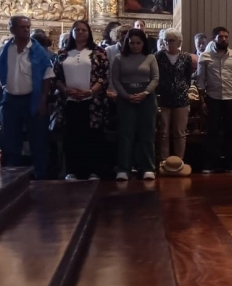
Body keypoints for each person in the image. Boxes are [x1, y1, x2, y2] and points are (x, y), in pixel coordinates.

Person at [0, 15, 55, 179]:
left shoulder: (38, 51)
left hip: (32, 99)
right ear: (12, 29)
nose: (26, 30)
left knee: (38, 140)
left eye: (28, 27)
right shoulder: (3, 50)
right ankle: (13, 175)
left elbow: (47, 76)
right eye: (22, 27)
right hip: (10, 100)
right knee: (11, 140)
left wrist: (42, 100)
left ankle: (40, 175)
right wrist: (0, 98)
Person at [54, 20, 111, 181]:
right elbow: (56, 76)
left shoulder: (98, 52)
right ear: (72, 32)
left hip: (92, 102)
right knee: (72, 136)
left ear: (89, 32)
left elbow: (104, 76)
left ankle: (93, 171)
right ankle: (72, 170)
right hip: (69, 101)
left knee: (92, 136)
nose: (80, 32)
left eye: (83, 30)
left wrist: (90, 91)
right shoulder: (63, 53)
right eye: (76, 30)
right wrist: (65, 89)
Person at [110, 28, 159, 181]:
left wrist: (145, 93)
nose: (135, 46)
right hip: (126, 97)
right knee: (126, 134)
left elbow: (155, 78)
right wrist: (125, 95)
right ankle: (124, 168)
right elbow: (115, 79)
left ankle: (148, 168)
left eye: (138, 43)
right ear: (127, 43)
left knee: (147, 133)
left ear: (143, 43)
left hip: (146, 97)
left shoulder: (150, 57)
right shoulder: (119, 58)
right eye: (132, 43)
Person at [196, 26, 232, 174]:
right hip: (213, 98)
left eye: (226, 36)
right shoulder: (205, 56)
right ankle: (210, 164)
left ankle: (230, 164)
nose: (223, 39)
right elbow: (200, 80)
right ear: (214, 39)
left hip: (231, 97)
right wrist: (202, 101)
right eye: (220, 37)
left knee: (230, 131)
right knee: (212, 132)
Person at [155, 28, 195, 163]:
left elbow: (187, 78)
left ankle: (179, 161)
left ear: (178, 42)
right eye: (165, 40)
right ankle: (164, 161)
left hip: (181, 99)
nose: (167, 43)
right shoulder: (158, 56)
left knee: (180, 132)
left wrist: (182, 89)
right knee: (163, 132)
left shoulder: (186, 57)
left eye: (170, 40)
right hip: (163, 98)